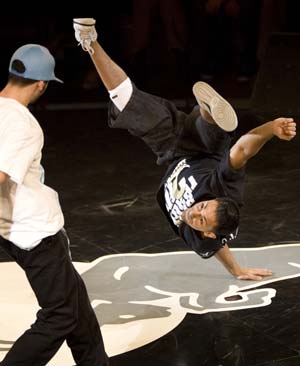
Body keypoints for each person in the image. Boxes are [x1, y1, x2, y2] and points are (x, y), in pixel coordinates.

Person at [73, 18, 296, 281]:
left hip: (171, 150)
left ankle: (89, 40)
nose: (195, 211)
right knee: (221, 139)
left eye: (201, 219)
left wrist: (237, 271)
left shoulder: (204, 241)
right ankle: (209, 112)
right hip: (205, 148)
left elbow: (217, 247)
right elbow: (242, 151)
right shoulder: (224, 191)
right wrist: (270, 128)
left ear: (209, 233)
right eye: (203, 207)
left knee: (125, 101)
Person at [0, 44, 109, 365]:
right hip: (34, 233)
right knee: (60, 314)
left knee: (77, 305)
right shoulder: (23, 125)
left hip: (13, 229)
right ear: (41, 85)